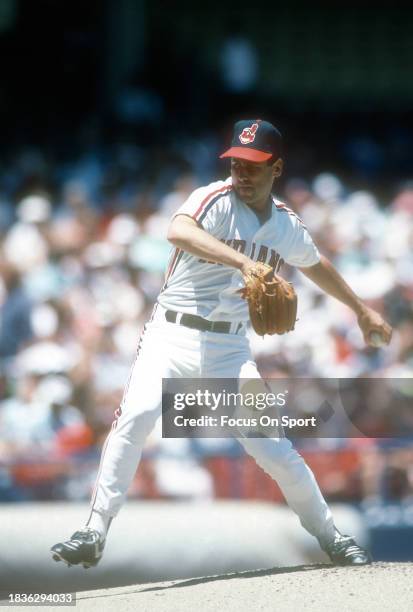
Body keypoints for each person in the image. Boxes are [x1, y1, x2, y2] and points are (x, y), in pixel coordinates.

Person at [51, 119, 392, 568]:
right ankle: (94, 530)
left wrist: (361, 309)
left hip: (228, 351)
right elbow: (179, 231)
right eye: (236, 163)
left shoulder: (286, 226)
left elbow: (315, 263)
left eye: (254, 165)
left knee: (273, 449)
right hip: (171, 335)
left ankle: (332, 538)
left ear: (277, 168)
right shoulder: (213, 199)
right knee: (133, 417)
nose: (242, 174)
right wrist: (245, 261)